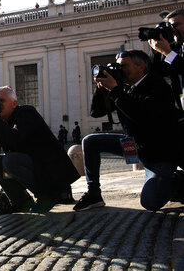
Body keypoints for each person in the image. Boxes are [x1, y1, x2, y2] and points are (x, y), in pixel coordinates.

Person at [74, 50, 183, 212]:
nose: (120, 70)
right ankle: (94, 194)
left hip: (159, 153)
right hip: (135, 145)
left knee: (150, 202)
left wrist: (116, 91)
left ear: (141, 67)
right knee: (90, 141)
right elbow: (96, 112)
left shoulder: (157, 85)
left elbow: (144, 117)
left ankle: (178, 181)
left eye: (124, 66)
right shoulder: (124, 88)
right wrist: (102, 89)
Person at [0, 86, 79, 214]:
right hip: (36, 170)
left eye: (1, 101)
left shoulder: (26, 112)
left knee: (10, 161)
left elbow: (16, 139)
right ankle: (21, 201)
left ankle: (47, 197)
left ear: (14, 103)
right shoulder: (3, 122)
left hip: (51, 173)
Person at [148, 9, 184, 110]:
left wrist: (167, 52)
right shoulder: (175, 49)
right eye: (170, 27)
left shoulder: (170, 51)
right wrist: (155, 51)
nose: (173, 30)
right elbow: (156, 73)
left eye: (176, 25)